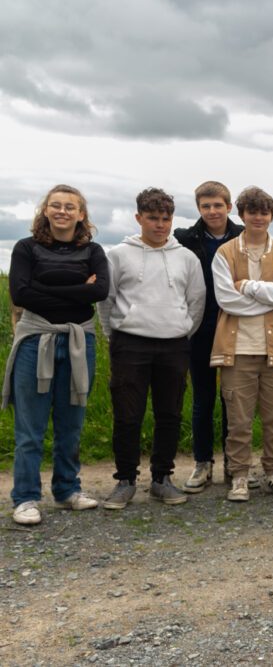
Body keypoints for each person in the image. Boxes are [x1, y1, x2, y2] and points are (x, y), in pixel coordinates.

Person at [4, 185, 108, 525]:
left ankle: (67, 490)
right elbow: (21, 293)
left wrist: (43, 289)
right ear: (45, 211)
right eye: (55, 206)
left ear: (81, 215)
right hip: (37, 339)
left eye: (70, 207)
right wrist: (78, 292)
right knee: (30, 427)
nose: (62, 211)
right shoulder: (26, 248)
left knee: (70, 423)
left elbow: (100, 291)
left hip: (79, 342)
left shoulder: (93, 250)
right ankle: (26, 498)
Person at [98, 188, 205, 510]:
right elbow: (107, 299)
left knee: (169, 414)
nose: (160, 225)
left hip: (173, 344)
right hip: (129, 343)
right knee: (128, 415)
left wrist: (183, 330)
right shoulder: (118, 255)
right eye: (153, 218)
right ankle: (125, 480)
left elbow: (196, 301)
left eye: (166, 218)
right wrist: (114, 335)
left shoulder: (186, 258)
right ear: (139, 218)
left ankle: (162, 479)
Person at [210, 186, 273, 502]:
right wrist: (269, 297)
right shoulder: (224, 254)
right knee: (239, 420)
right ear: (242, 214)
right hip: (236, 349)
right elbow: (226, 300)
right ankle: (239, 476)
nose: (258, 217)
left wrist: (247, 286)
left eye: (264, 212)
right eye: (253, 212)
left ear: (271, 216)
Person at [174, 180, 244, 492]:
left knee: (233, 398)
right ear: (199, 209)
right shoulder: (185, 239)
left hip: (236, 327)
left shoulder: (245, 236)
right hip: (200, 327)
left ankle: (234, 462)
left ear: (229, 207)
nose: (212, 211)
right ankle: (203, 463)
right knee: (203, 399)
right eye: (206, 206)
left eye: (218, 205)